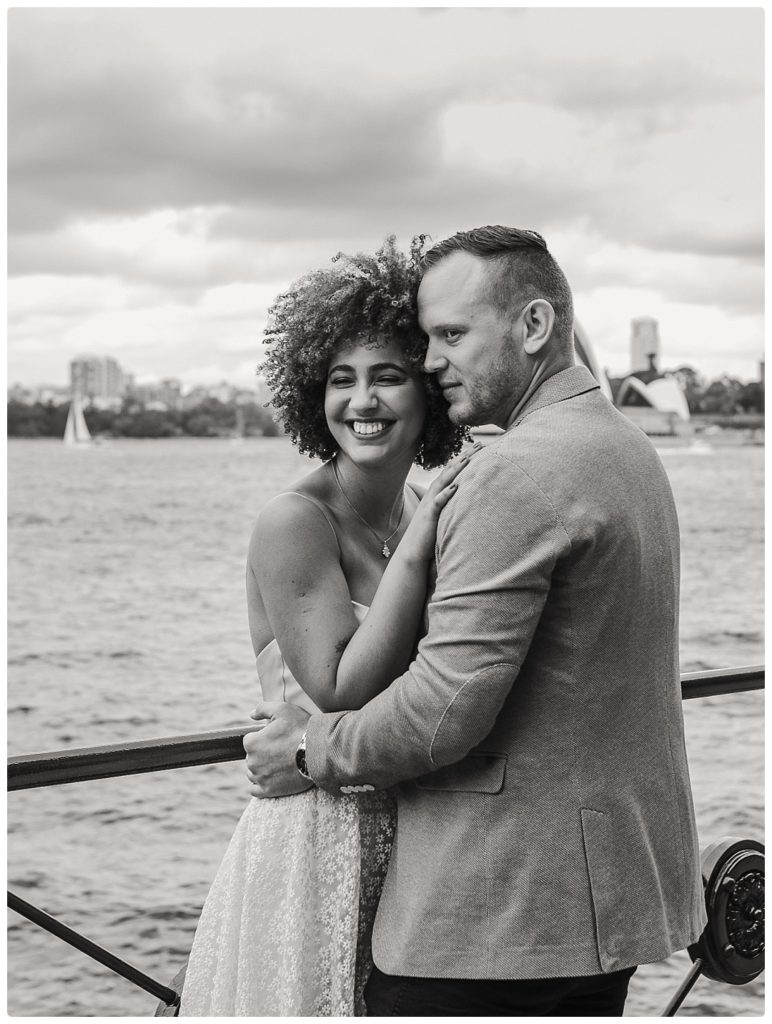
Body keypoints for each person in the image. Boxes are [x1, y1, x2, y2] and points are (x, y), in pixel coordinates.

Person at [245, 225, 708, 1016]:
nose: (432, 361)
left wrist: (305, 745)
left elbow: (442, 709)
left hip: (502, 913)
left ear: (533, 327)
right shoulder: (623, 445)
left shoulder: (509, 475)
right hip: (595, 893)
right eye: (426, 339)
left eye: (450, 336)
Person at [179, 238, 469, 1016]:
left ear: (430, 392)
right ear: (313, 394)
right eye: (341, 380)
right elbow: (339, 686)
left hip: (421, 840)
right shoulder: (294, 522)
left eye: (388, 377)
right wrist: (428, 534)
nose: (362, 402)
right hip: (314, 836)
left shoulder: (423, 505)